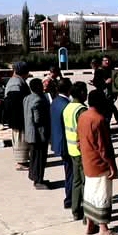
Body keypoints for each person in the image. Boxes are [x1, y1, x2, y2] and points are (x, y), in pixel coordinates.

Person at [77, 90, 118, 235]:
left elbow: (79, 140)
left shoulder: (83, 116)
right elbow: (104, 148)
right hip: (100, 165)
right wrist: (112, 166)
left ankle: (90, 224)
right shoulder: (99, 120)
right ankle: (103, 229)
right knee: (102, 195)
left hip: (87, 161)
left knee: (90, 193)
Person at [63, 82, 89, 221]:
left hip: (72, 149)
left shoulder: (68, 107)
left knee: (76, 181)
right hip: (81, 150)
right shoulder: (81, 110)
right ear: (81, 93)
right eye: (85, 91)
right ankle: (87, 214)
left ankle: (75, 210)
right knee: (85, 182)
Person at [24, 78, 51, 190]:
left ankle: (36, 177)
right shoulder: (38, 100)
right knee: (39, 158)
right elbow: (38, 119)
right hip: (39, 135)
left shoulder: (27, 98)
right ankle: (38, 180)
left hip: (30, 133)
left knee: (34, 158)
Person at [4, 61, 31, 171]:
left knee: (22, 139)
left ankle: (24, 160)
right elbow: (15, 103)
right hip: (18, 117)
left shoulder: (18, 81)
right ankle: (21, 163)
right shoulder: (15, 84)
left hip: (19, 117)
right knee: (20, 140)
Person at [51, 78, 73, 208]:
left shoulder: (55, 101)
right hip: (67, 144)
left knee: (68, 172)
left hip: (59, 142)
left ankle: (70, 197)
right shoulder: (66, 105)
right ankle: (69, 199)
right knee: (71, 174)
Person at [94, 55, 118, 125]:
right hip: (103, 92)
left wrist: (117, 91)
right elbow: (96, 82)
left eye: (108, 60)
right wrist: (105, 82)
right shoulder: (99, 71)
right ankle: (113, 120)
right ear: (102, 62)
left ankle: (112, 120)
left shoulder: (112, 70)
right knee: (110, 106)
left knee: (110, 105)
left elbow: (117, 81)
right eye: (105, 60)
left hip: (111, 92)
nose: (107, 62)